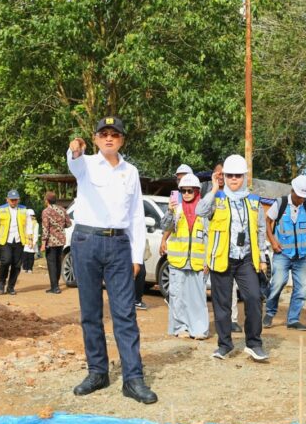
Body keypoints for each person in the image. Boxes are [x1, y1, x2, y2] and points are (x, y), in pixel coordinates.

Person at [66, 117, 157, 404]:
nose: (109, 138)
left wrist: (136, 255)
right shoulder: (86, 164)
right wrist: (75, 149)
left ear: (122, 140)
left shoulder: (131, 172)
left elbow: (136, 215)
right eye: (103, 134)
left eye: (114, 135)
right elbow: (73, 160)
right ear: (95, 139)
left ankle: (133, 378)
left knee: (125, 314)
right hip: (86, 241)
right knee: (91, 311)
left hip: (118, 244)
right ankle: (97, 372)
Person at [197, 154, 269, 361]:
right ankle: (224, 345)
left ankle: (254, 344)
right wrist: (213, 188)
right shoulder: (216, 198)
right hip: (222, 258)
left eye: (238, 175)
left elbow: (261, 230)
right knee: (222, 305)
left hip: (247, 258)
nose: (234, 179)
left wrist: (263, 258)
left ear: (245, 177)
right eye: (229, 176)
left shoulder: (254, 201)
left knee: (254, 298)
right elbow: (201, 211)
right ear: (223, 177)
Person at [159, 173, 209, 339]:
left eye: (190, 191)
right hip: (177, 261)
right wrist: (169, 211)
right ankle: (181, 328)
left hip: (197, 261)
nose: (186, 194)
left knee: (198, 298)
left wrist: (208, 259)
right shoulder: (176, 208)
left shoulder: (204, 209)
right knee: (178, 296)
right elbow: (165, 226)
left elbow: (210, 235)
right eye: (183, 191)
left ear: (197, 191)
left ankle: (199, 329)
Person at [263, 175, 306, 331]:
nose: (301, 199)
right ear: (293, 191)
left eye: (304, 197)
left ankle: (293, 320)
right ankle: (270, 313)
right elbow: (267, 221)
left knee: (301, 288)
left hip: (301, 256)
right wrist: (272, 241)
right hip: (282, 254)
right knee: (278, 284)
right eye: (299, 196)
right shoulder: (280, 203)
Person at [199, 162, 242, 332]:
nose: (221, 177)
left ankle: (232, 319)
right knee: (203, 286)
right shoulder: (209, 195)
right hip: (209, 247)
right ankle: (201, 321)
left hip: (227, 250)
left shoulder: (236, 197)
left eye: (224, 174)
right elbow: (201, 216)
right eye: (218, 174)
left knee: (229, 288)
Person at [0, 190, 33, 295]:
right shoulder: (1, 209)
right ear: (7, 199)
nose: (13, 202)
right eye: (11, 200)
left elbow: (29, 225)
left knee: (17, 265)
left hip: (19, 240)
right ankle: (1, 283)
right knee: (6, 261)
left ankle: (11, 287)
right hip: (5, 240)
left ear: (18, 200)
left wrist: (30, 239)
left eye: (15, 200)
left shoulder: (24, 210)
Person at [41, 191, 71, 294]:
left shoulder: (46, 211)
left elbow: (45, 228)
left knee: (51, 263)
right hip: (61, 240)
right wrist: (60, 227)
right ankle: (56, 285)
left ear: (47, 201)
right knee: (58, 262)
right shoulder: (62, 209)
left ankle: (54, 287)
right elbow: (69, 223)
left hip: (51, 241)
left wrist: (43, 244)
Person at [22, 208, 39, 273]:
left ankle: (30, 268)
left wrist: (34, 242)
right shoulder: (25, 223)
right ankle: (24, 268)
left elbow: (36, 234)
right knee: (25, 255)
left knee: (31, 256)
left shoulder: (35, 224)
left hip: (32, 242)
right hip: (25, 242)